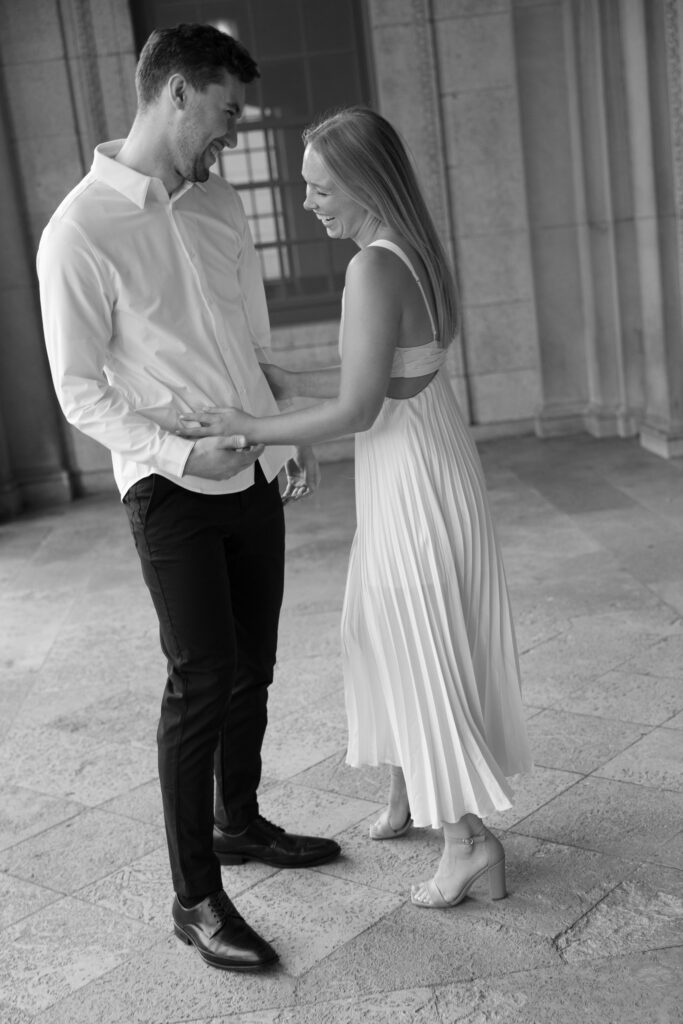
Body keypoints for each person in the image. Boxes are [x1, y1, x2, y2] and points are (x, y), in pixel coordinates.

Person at [36, 23, 341, 973]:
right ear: (173, 93)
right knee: (200, 679)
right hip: (168, 491)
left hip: (249, 465)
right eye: (224, 112)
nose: (233, 133)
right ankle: (195, 897)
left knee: (254, 664)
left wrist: (272, 437)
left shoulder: (219, 208)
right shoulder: (79, 229)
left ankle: (238, 820)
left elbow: (238, 341)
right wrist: (176, 451)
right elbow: (79, 387)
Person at [178, 106, 534, 909]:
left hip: (410, 473)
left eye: (318, 188)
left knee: (415, 645)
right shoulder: (412, 250)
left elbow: (356, 410)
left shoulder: (370, 268)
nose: (308, 204)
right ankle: (414, 789)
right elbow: (376, 381)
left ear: (365, 184)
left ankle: (468, 841)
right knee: (375, 629)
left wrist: (251, 426)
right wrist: (276, 382)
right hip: (427, 453)